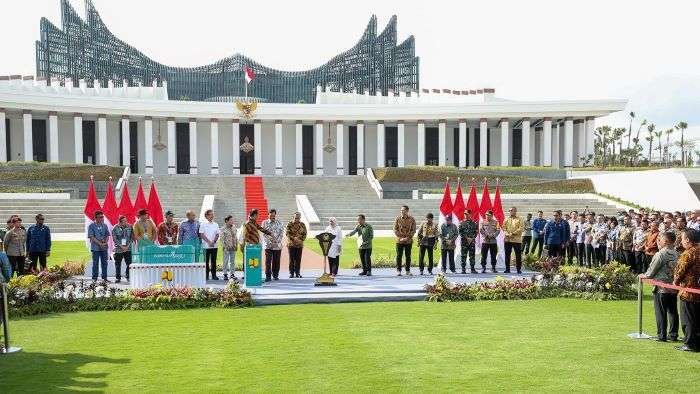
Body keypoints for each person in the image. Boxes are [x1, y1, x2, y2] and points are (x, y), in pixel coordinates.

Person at [642, 231, 679, 342]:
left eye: (660, 239)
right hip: (673, 287)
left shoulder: (660, 254)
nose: (658, 241)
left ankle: (661, 335)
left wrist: (643, 275)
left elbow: (651, 272)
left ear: (666, 241)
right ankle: (673, 335)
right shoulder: (677, 254)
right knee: (673, 311)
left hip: (661, 288)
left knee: (661, 312)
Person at [673, 229, 700, 352]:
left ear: (688, 240)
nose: (682, 241)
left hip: (688, 292)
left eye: (683, 239)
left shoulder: (688, 253)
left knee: (688, 318)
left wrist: (675, 282)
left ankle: (689, 343)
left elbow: (680, 271)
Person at [393, 205, 416, 276]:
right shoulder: (398, 219)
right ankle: (398, 270)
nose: (402, 212)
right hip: (399, 241)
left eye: (403, 210)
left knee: (408, 256)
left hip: (408, 241)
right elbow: (395, 229)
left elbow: (413, 230)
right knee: (399, 256)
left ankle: (407, 270)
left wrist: (407, 238)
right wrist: (401, 238)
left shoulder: (412, 219)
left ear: (407, 211)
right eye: (401, 210)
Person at [262, 209, 284, 282]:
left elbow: (281, 233)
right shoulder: (264, 223)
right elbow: (264, 233)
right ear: (268, 215)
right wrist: (270, 241)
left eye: (274, 215)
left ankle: (275, 275)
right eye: (271, 215)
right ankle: (268, 276)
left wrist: (277, 241)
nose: (273, 217)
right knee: (268, 261)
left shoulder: (279, 223)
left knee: (276, 261)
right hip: (268, 245)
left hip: (277, 245)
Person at [87, 210, 110, 282]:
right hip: (95, 248)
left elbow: (107, 235)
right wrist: (100, 244)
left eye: (102, 217)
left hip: (104, 248)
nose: (102, 218)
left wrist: (105, 243)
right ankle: (95, 278)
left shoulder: (105, 225)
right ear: (96, 218)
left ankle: (105, 277)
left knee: (104, 263)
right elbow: (91, 237)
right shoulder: (91, 226)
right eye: (100, 217)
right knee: (95, 263)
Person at [199, 209, 220, 280]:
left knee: (214, 261)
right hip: (206, 246)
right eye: (210, 214)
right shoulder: (203, 224)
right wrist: (209, 242)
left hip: (214, 245)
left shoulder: (216, 224)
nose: (212, 216)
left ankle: (214, 275)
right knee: (206, 261)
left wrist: (213, 242)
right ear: (206, 216)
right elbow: (201, 234)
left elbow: (217, 234)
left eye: (212, 214)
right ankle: (206, 275)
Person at [111, 215, 133, 283]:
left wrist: (127, 246)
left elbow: (132, 237)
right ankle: (118, 278)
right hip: (119, 249)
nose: (126, 222)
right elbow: (115, 239)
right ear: (120, 222)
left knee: (129, 263)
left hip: (128, 248)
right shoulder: (115, 228)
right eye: (124, 221)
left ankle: (128, 276)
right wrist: (122, 246)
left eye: (126, 221)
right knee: (118, 264)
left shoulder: (130, 226)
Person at [286, 212, 307, 278]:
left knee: (298, 259)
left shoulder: (302, 224)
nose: (296, 219)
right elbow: (287, 233)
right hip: (291, 244)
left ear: (300, 218)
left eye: (298, 218)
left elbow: (305, 233)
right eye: (295, 218)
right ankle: (291, 273)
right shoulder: (289, 224)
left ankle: (297, 273)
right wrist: (294, 238)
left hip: (299, 244)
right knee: (291, 259)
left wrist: (301, 240)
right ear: (293, 217)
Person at [503, 207, 524, 274]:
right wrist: (507, 234)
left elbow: (521, 228)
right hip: (508, 239)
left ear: (515, 211)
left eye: (512, 211)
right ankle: (507, 269)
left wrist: (513, 233)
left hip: (516, 240)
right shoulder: (506, 219)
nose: (511, 212)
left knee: (518, 255)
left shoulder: (520, 219)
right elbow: (503, 227)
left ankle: (518, 269)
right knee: (507, 255)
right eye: (510, 211)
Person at [220, 215, 238, 281]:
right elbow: (222, 239)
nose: (232, 221)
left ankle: (232, 274)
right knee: (225, 261)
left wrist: (236, 245)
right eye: (231, 220)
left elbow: (235, 237)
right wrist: (225, 247)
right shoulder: (223, 229)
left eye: (232, 220)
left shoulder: (234, 227)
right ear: (226, 221)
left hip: (233, 247)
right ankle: (225, 274)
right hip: (226, 248)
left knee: (232, 261)